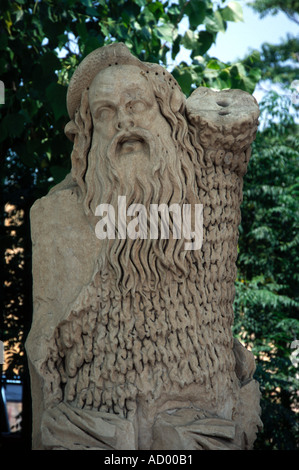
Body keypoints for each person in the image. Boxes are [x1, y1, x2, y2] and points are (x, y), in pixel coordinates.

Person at [26, 43, 262, 450]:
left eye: (137, 105)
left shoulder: (208, 201)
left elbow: (232, 129)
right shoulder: (56, 217)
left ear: (167, 116)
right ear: (87, 136)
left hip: (198, 426)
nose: (124, 123)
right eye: (105, 113)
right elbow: (42, 344)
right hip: (94, 426)